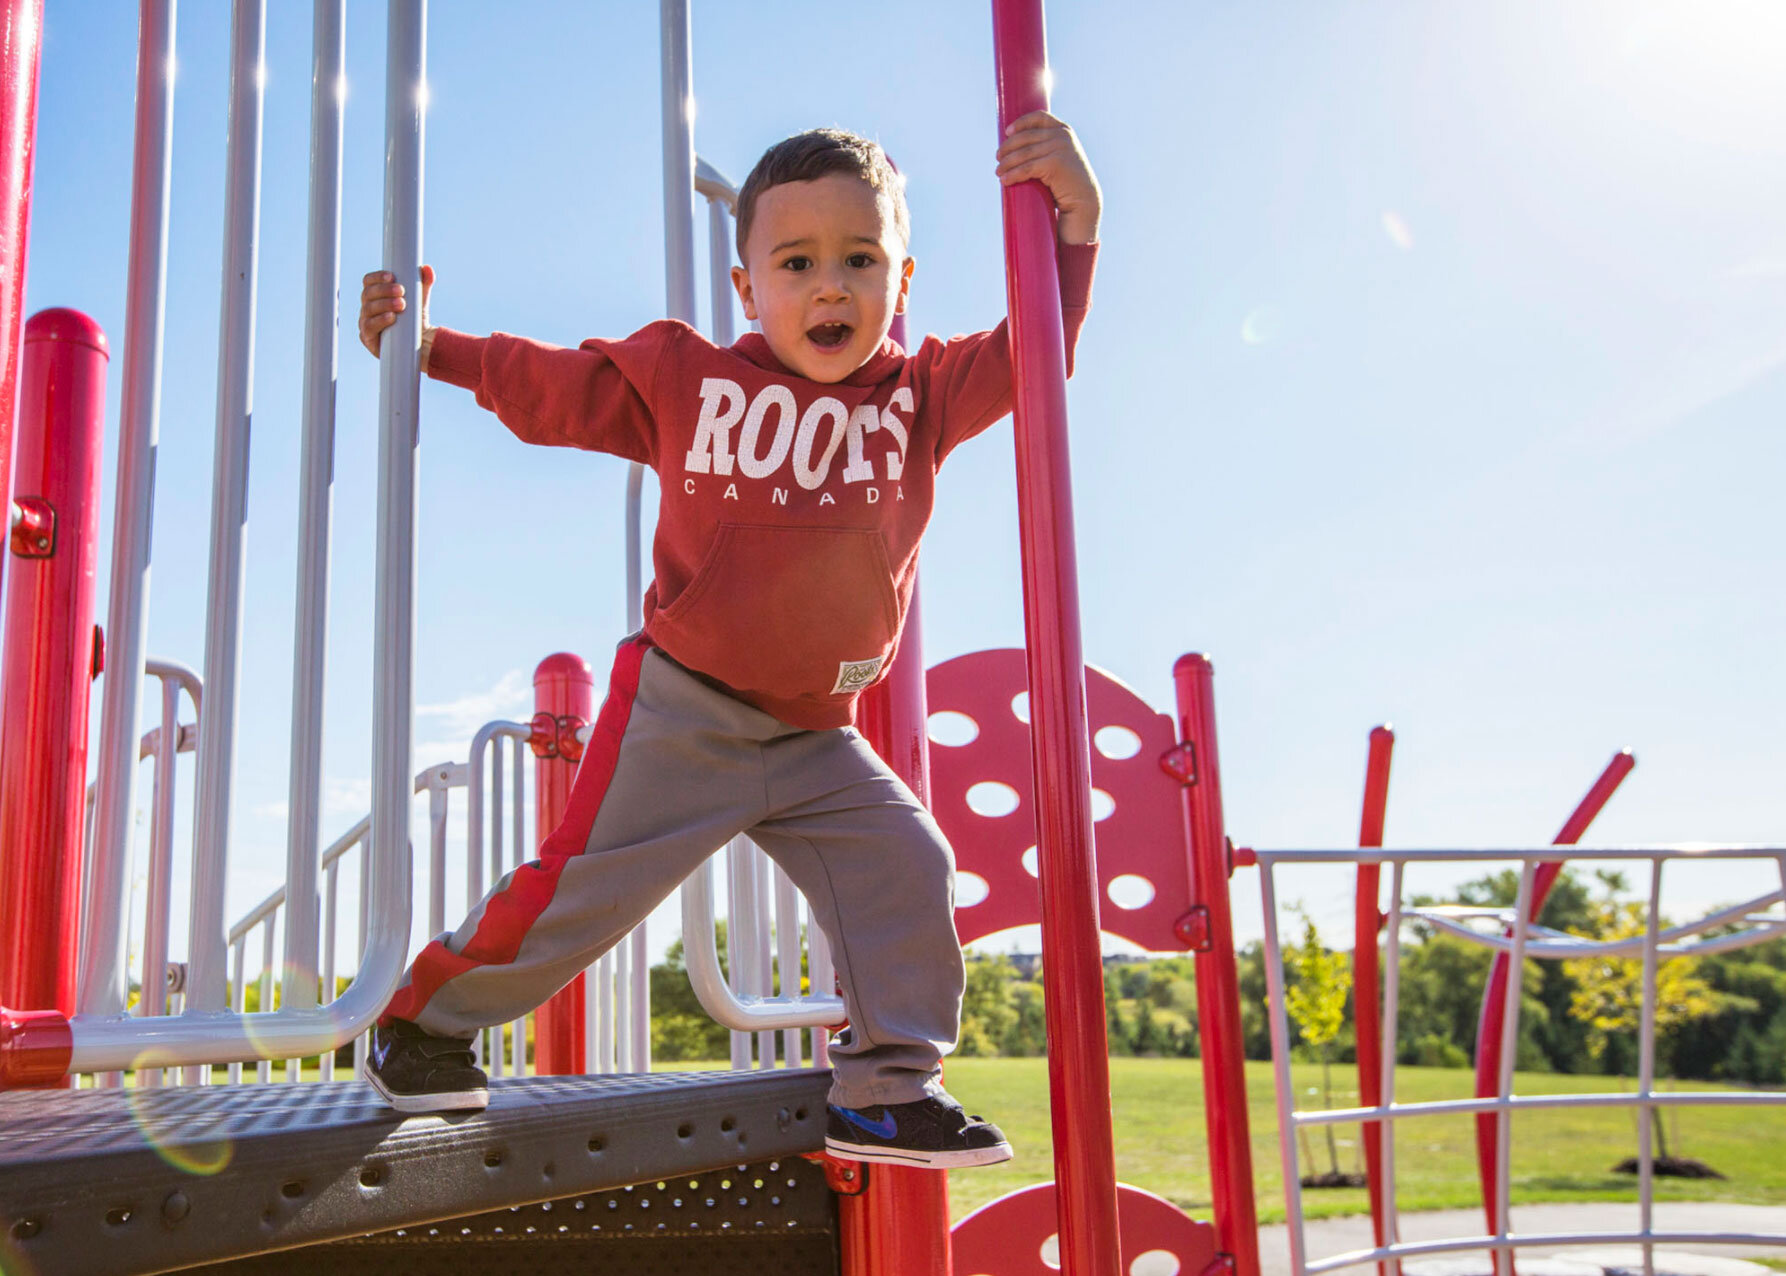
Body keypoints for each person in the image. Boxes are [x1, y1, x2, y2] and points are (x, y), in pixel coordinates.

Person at [356, 112, 1101, 1169]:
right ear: (749, 288)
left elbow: (1036, 346)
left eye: (860, 259)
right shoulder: (687, 380)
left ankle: (887, 1089)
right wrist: (431, 349)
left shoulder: (922, 395)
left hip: (815, 737)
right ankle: (422, 1023)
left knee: (907, 862)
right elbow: (552, 387)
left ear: (902, 277)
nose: (830, 286)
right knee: (579, 894)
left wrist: (1074, 225)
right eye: (796, 263)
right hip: (684, 709)